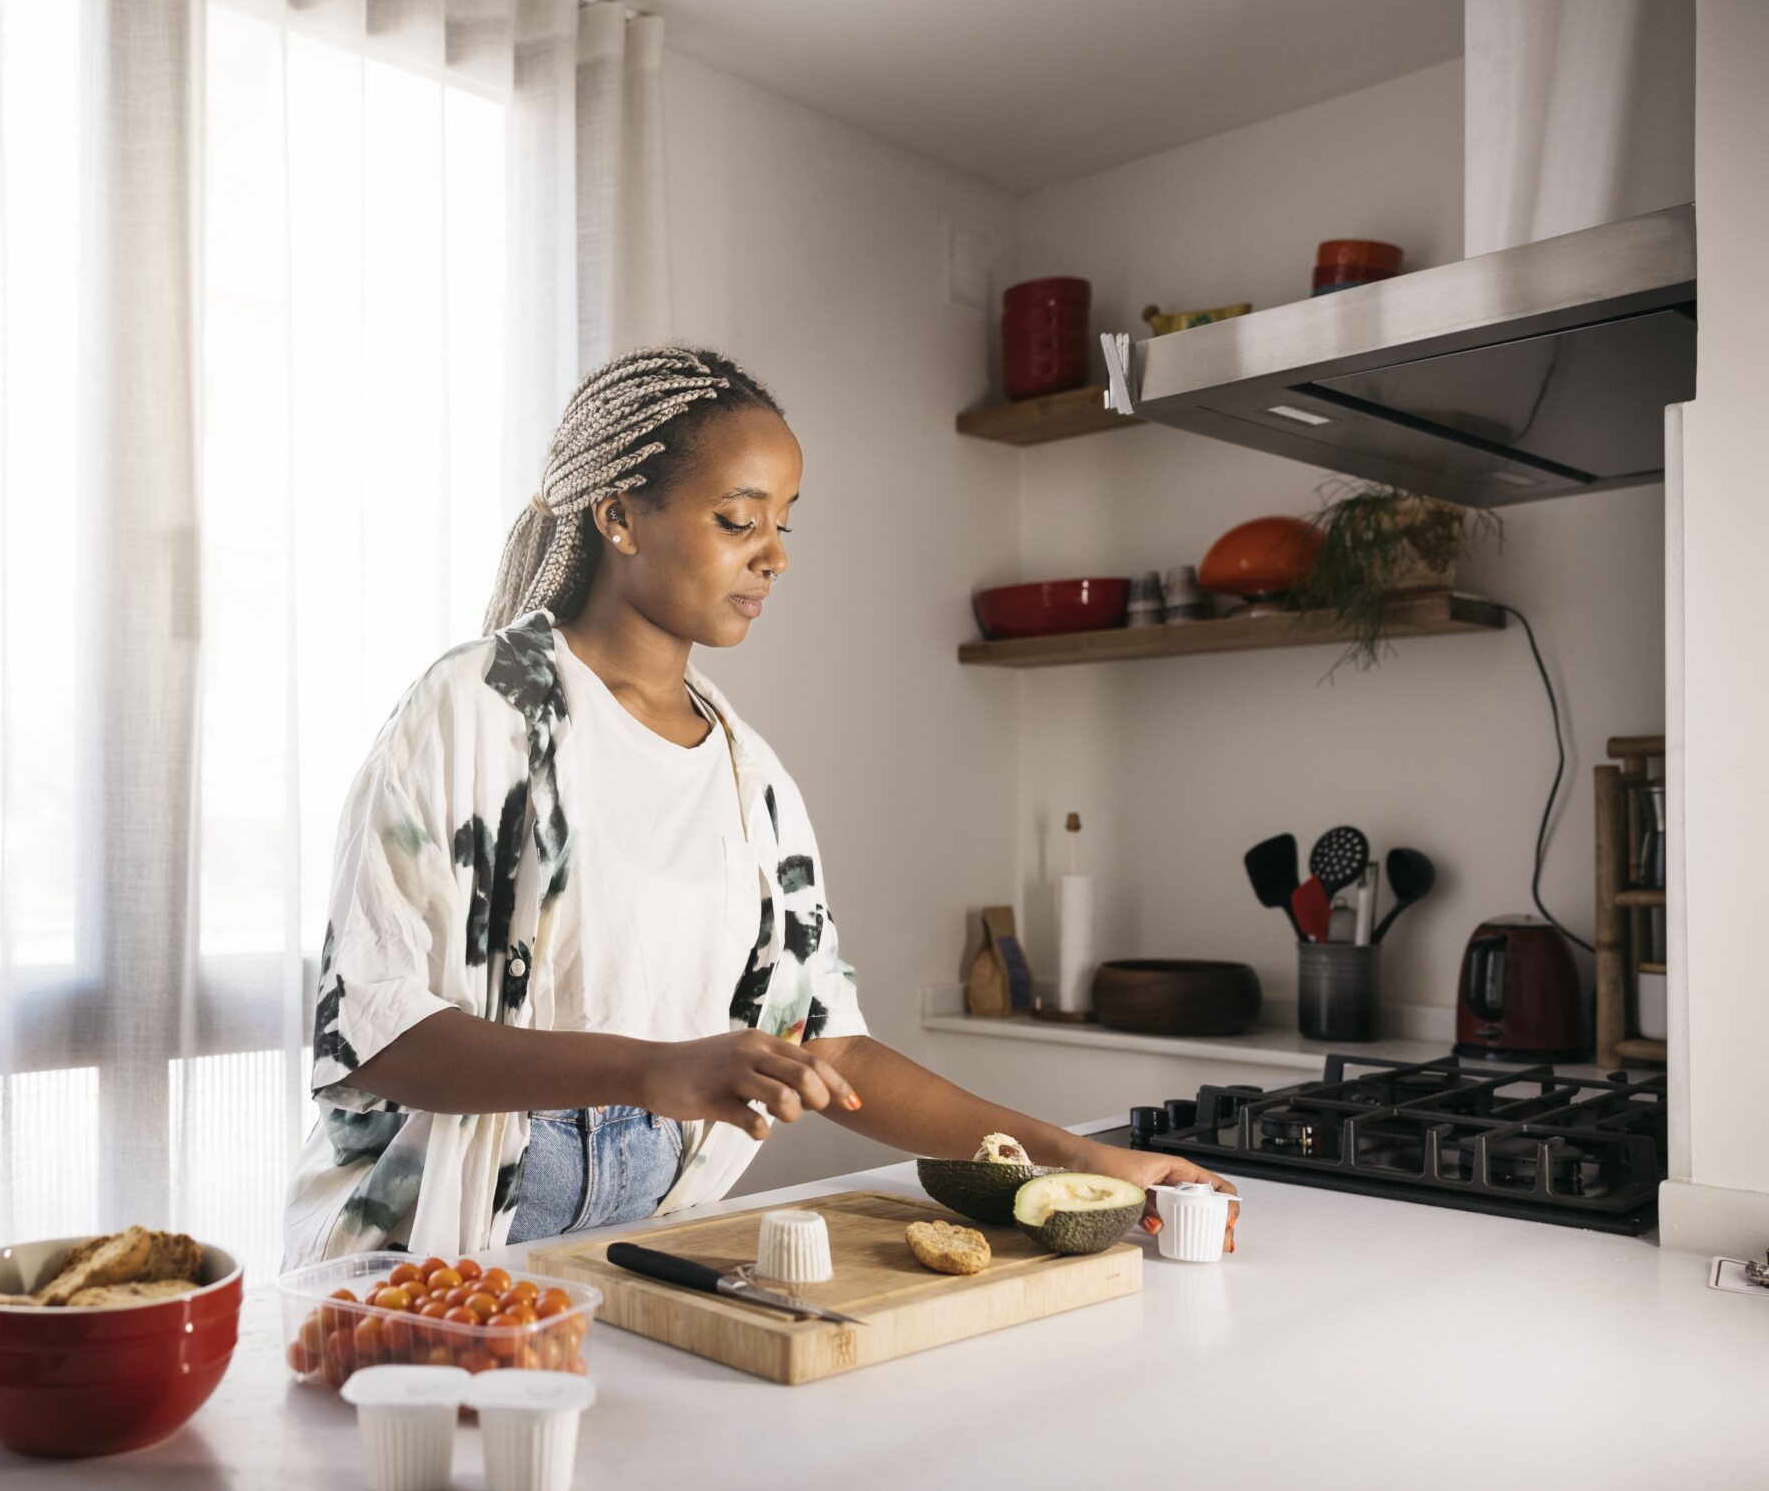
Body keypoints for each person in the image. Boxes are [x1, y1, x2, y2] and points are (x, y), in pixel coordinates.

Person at [281, 345, 1233, 1269]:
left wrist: (1072, 1155)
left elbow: (824, 1044)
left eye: (786, 522)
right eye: (739, 520)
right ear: (620, 518)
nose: (774, 556)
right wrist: (653, 1071)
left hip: (643, 1249)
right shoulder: (478, 709)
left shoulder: (749, 776)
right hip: (426, 1258)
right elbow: (376, 1035)